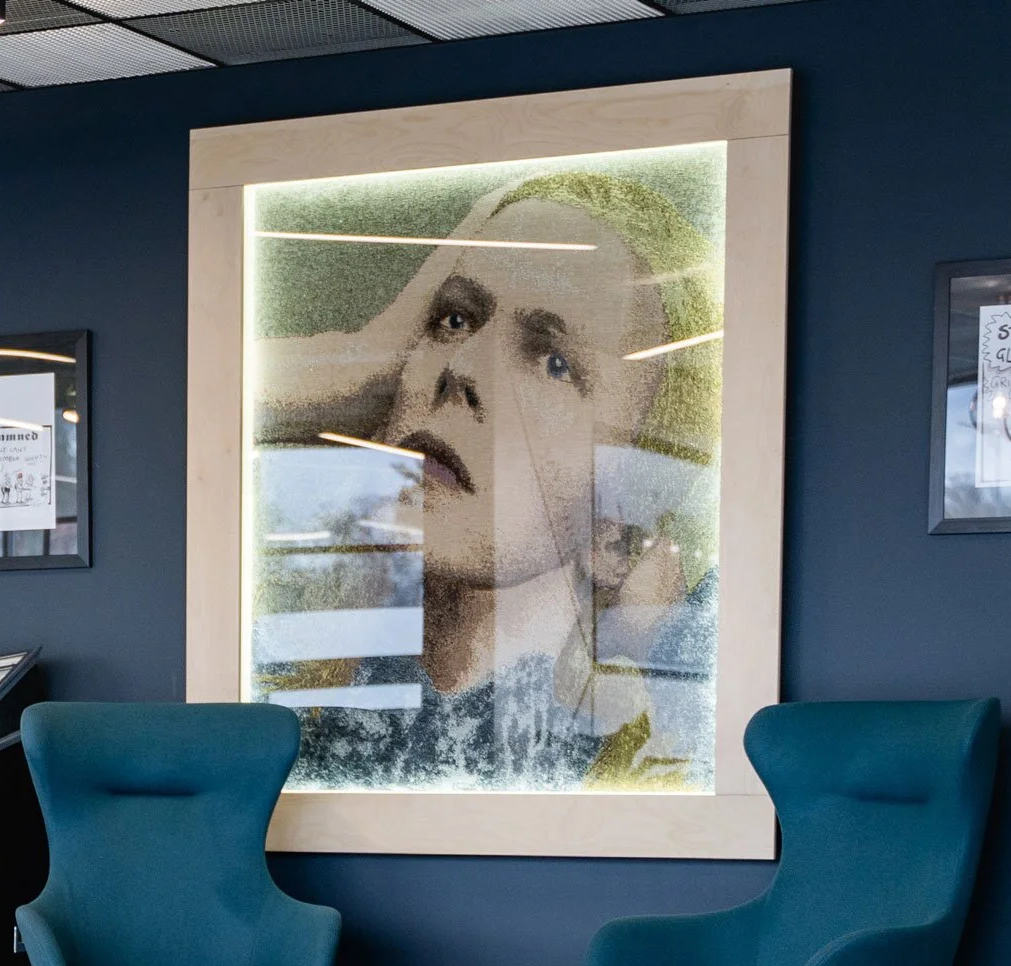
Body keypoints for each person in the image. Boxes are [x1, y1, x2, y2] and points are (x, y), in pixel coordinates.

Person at [254, 167, 722, 791]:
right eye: (452, 319)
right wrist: (361, 358)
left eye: (554, 363)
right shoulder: (291, 705)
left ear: (616, 532)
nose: (462, 365)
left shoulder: (643, 773)